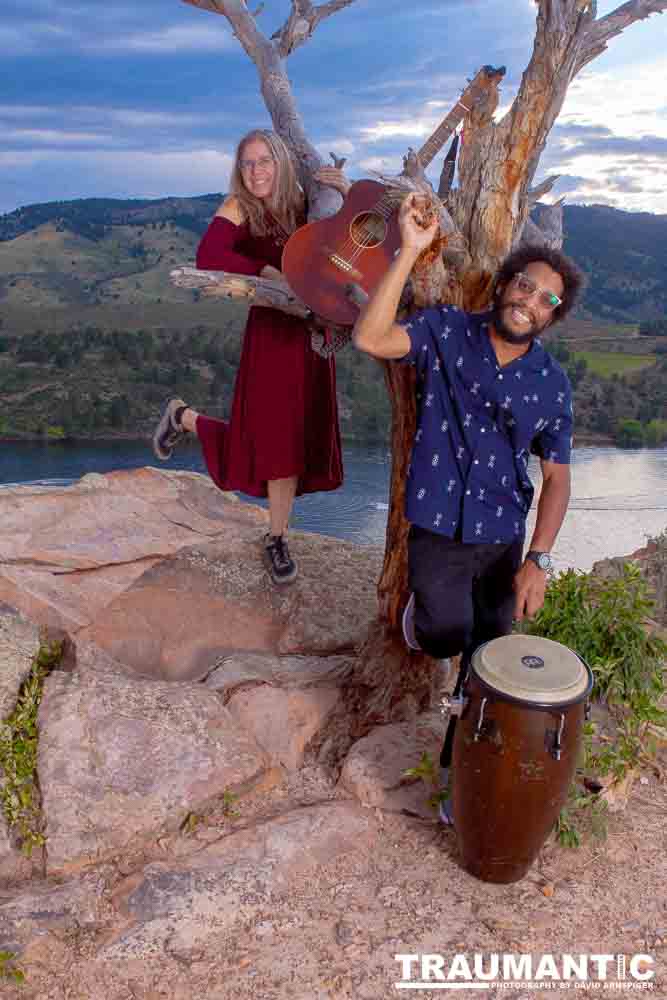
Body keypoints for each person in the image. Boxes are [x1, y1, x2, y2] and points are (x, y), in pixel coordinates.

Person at [352, 192, 584, 823]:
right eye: (525, 286)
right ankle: (419, 620)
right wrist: (411, 249)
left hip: (504, 535)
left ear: (553, 315)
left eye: (546, 299)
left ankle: (460, 782)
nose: (530, 301)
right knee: (443, 636)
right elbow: (369, 335)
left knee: (486, 666)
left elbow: (557, 479)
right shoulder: (447, 331)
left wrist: (537, 560)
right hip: (438, 527)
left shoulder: (551, 385)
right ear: (506, 283)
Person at [152, 129, 349, 585]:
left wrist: (344, 191)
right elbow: (208, 254)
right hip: (271, 335)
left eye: (264, 161)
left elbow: (342, 242)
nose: (256, 171)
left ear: (280, 162)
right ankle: (276, 539)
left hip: (312, 335)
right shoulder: (239, 207)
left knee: (294, 438)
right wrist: (262, 271)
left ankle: (182, 417)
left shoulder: (305, 202)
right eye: (247, 163)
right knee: (273, 441)